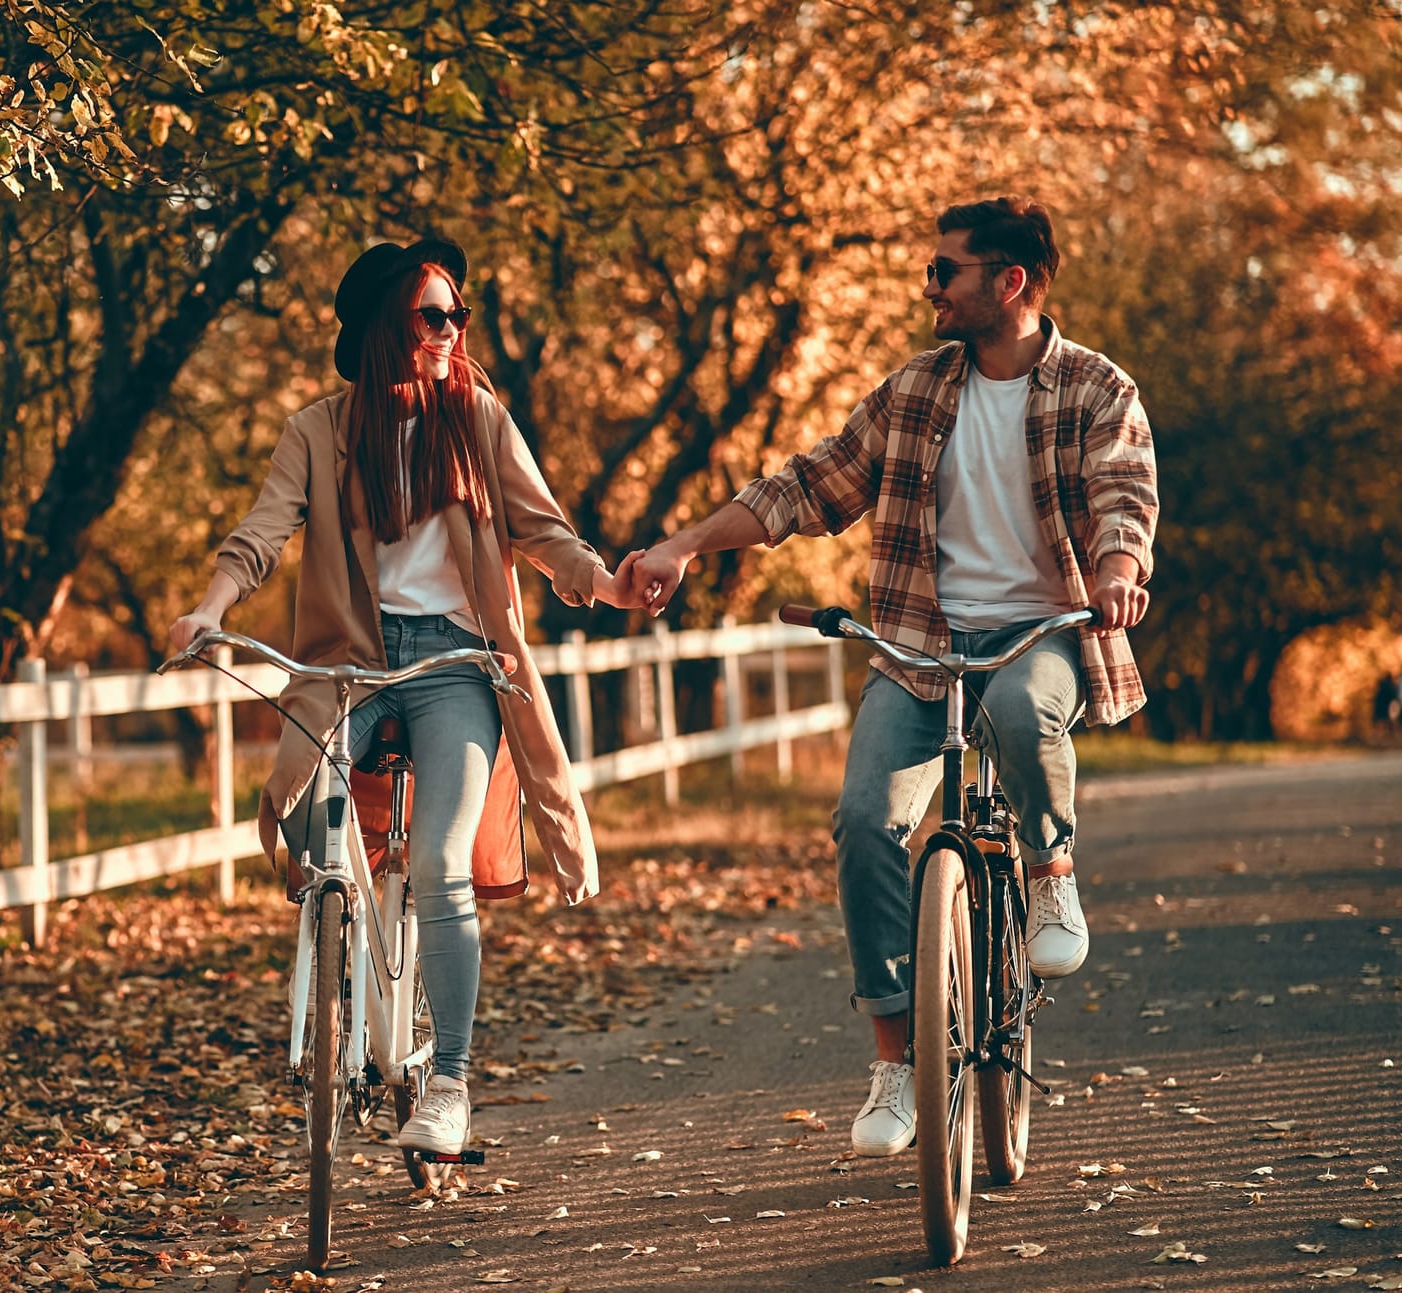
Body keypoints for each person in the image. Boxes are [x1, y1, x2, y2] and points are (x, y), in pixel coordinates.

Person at [624, 197, 1157, 1158]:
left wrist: (1119, 572)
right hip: (920, 644)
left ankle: (1051, 875)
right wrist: (686, 544)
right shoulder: (914, 391)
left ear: (1011, 283)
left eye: (945, 270)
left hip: (1042, 633)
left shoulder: (1095, 389)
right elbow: (808, 485)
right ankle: (894, 1063)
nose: (930, 287)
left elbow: (1124, 497)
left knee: (1019, 707)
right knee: (866, 821)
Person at [169, 236, 645, 1155]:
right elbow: (262, 531)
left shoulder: (478, 418)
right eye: (433, 315)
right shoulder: (318, 430)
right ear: (388, 327)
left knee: (440, 864)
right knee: (308, 820)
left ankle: (452, 1085)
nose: (450, 331)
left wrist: (606, 583)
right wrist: (208, 608)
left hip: (456, 666)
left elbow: (546, 532)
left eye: (456, 315)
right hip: (349, 663)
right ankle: (341, 954)